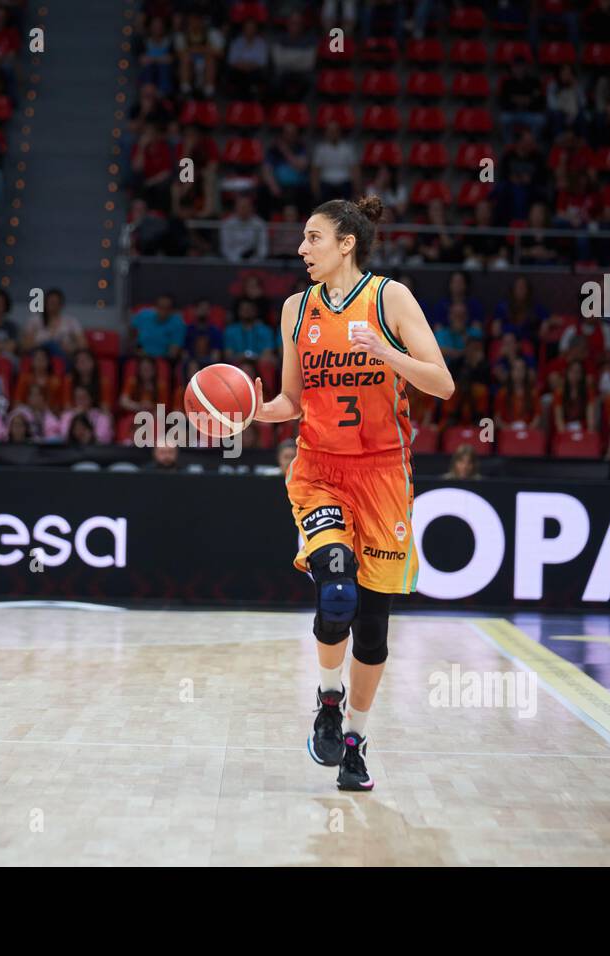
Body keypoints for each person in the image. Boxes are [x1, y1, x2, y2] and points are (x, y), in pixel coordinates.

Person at [253, 196, 454, 791]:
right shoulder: (297, 307)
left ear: (347, 242)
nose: (301, 249)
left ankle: (356, 741)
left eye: (313, 237)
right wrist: (249, 414)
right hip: (319, 470)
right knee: (335, 589)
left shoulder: (389, 298)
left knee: (372, 624)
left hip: (385, 475)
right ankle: (327, 699)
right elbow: (291, 401)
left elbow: (441, 382)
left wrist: (387, 353)